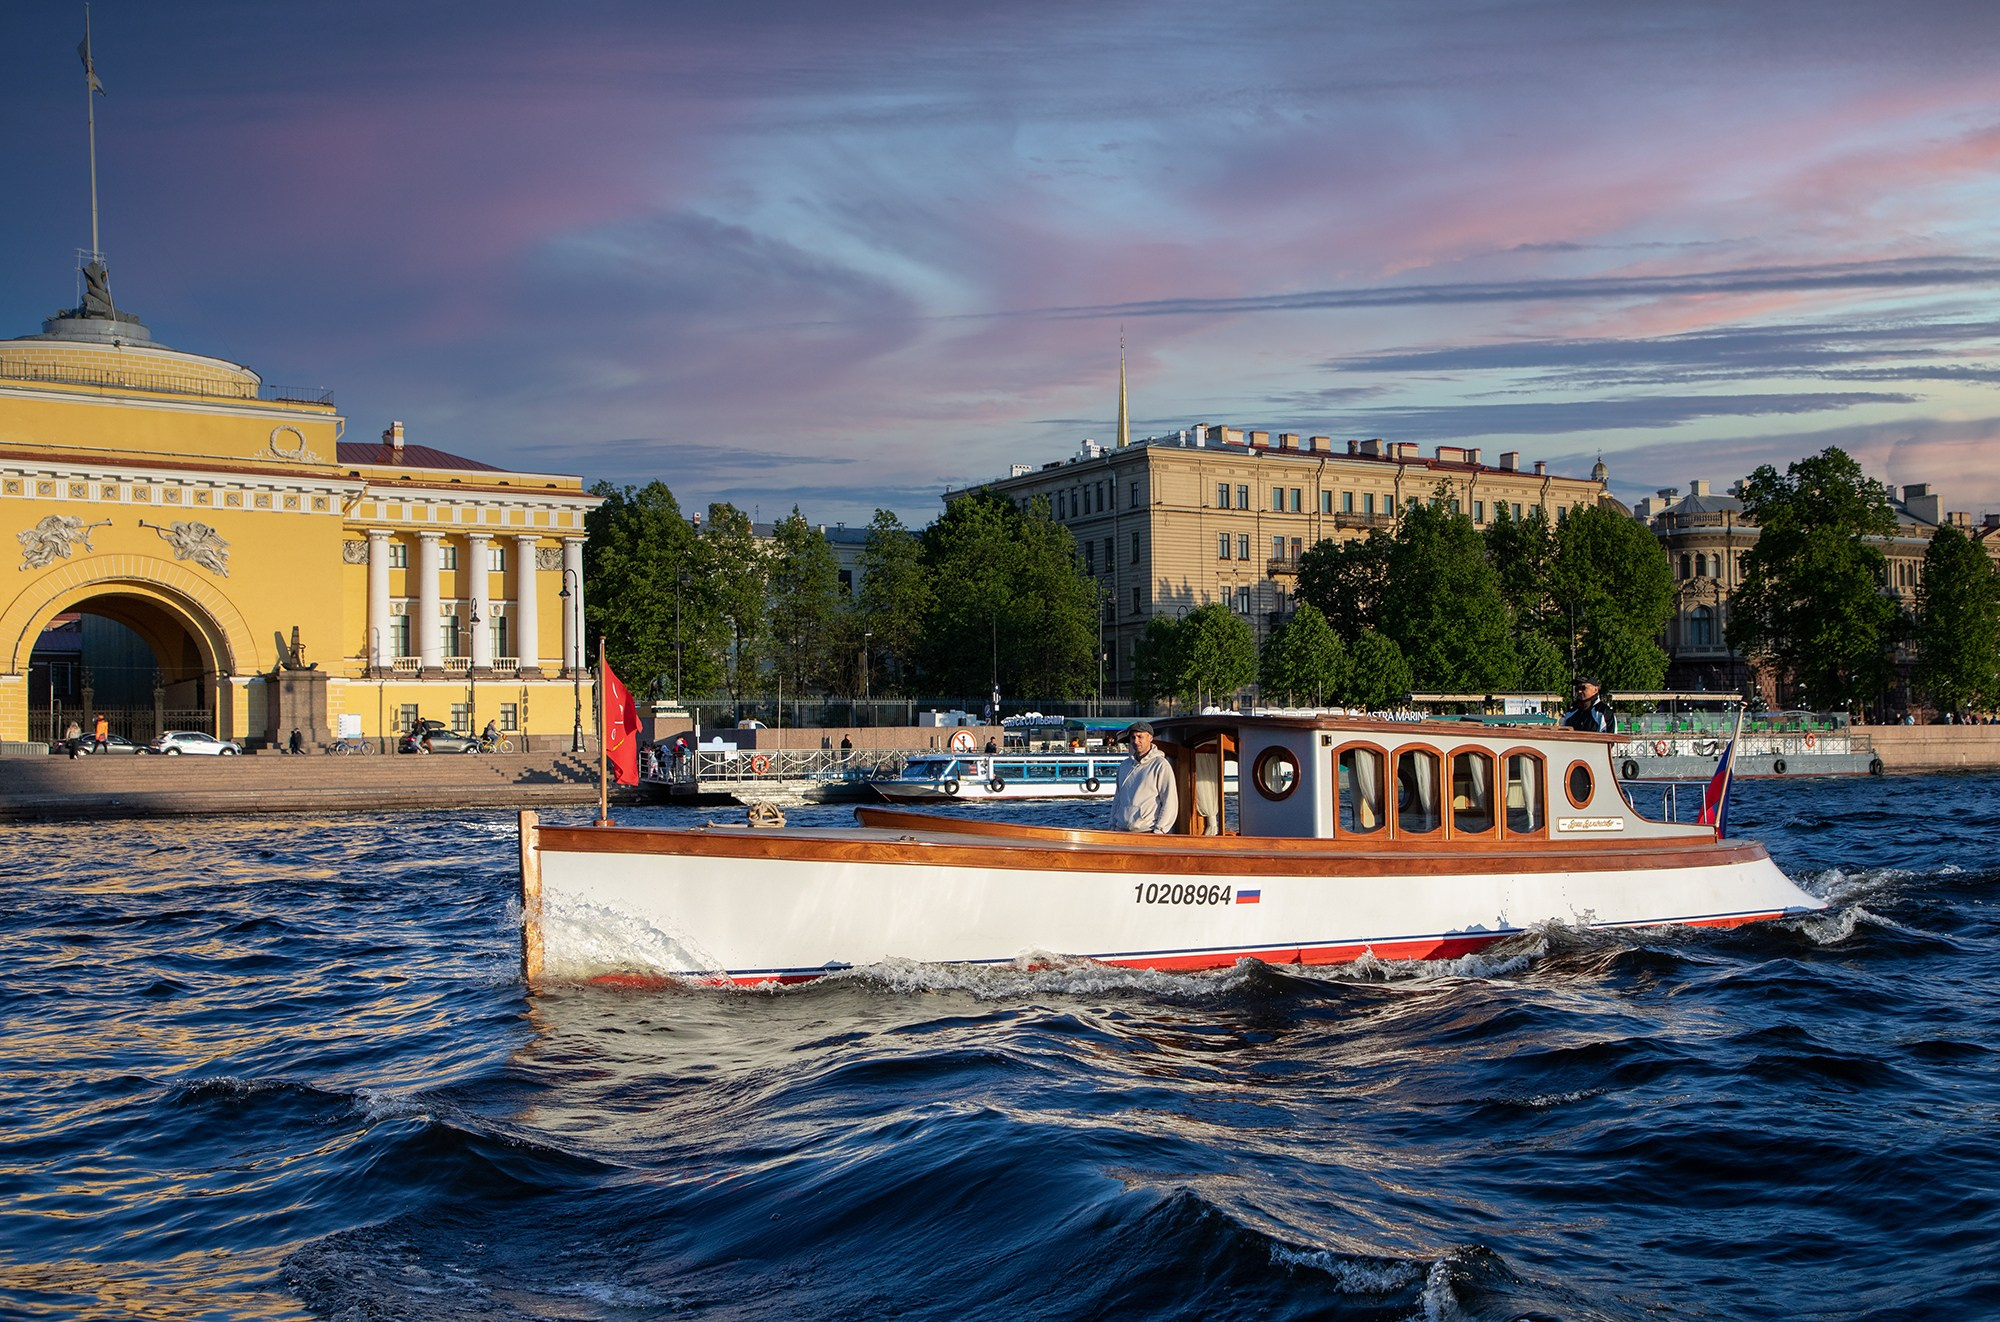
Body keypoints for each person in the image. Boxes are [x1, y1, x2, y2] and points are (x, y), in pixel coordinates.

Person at [1110, 721, 1179, 833]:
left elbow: (1170, 801)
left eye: (1140, 737)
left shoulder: (1160, 765)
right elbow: (1117, 799)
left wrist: (1159, 831)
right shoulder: (1124, 766)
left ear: (1150, 738)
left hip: (1147, 831)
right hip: (1121, 831)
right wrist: (1112, 826)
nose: (1136, 741)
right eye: (1133, 737)